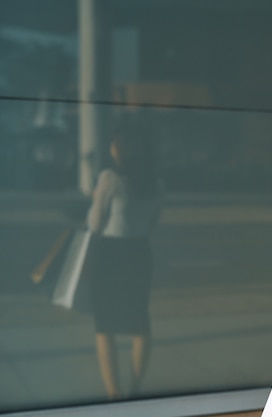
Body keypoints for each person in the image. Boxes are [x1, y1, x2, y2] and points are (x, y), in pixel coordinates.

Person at [86, 128, 161, 400]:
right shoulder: (153, 181)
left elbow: (93, 224)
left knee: (104, 323)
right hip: (140, 252)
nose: (111, 150)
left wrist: (96, 198)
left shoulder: (109, 178)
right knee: (140, 323)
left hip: (110, 253)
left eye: (114, 145)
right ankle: (134, 391)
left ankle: (113, 393)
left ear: (121, 149)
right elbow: (153, 222)